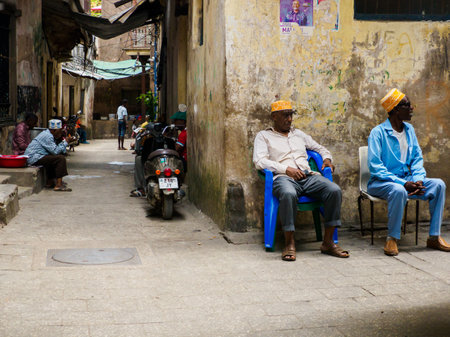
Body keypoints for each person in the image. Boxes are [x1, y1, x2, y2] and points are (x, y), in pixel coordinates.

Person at [253, 100, 349, 261]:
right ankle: (289, 243)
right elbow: (259, 161)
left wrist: (326, 159)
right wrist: (286, 169)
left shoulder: (299, 134)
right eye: (285, 115)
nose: (289, 119)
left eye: (291, 115)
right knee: (288, 193)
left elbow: (319, 148)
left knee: (334, 190)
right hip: (283, 178)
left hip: (308, 177)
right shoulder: (263, 136)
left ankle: (328, 242)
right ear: (274, 117)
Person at [367, 88, 449, 256]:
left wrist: (418, 179)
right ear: (396, 109)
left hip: (408, 180)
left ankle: (434, 237)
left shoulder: (409, 130)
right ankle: (392, 239)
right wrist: (403, 183)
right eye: (408, 105)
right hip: (381, 183)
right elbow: (375, 167)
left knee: (439, 185)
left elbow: (417, 159)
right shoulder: (378, 133)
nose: (412, 108)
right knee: (398, 190)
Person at [25, 119, 76, 192]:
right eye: (59, 130)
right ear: (54, 130)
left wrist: (64, 142)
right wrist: (66, 142)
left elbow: (55, 150)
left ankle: (50, 181)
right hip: (33, 158)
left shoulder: (49, 134)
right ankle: (59, 185)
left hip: (37, 156)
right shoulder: (47, 136)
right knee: (60, 159)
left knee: (53, 158)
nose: (61, 133)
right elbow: (56, 151)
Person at [171, 104, 187, 172]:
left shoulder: (183, 134)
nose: (174, 123)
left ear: (182, 121)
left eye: (176, 121)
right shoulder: (184, 132)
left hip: (183, 160)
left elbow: (177, 148)